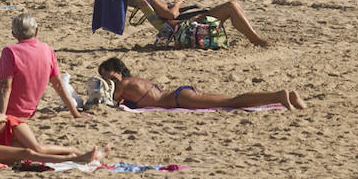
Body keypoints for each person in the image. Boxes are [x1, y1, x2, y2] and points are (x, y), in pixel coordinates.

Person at [98, 58, 306, 110]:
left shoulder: (123, 84)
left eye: (106, 75)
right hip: (180, 94)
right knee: (229, 100)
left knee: (232, 102)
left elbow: (108, 101)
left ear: (115, 72)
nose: (105, 80)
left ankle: (278, 96)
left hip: (179, 98)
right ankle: (290, 98)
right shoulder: (134, 80)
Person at [129, 0, 272, 46]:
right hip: (190, 27)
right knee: (231, 6)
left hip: (190, 24)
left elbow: (167, 14)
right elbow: (171, 16)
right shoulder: (153, 1)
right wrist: (177, 4)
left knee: (232, 6)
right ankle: (255, 39)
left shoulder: (153, 1)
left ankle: (253, 37)